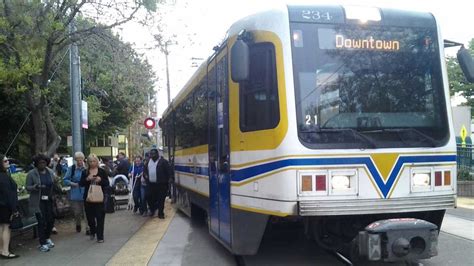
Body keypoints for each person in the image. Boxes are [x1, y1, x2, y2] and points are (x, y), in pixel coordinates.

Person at [26, 154, 56, 252]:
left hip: (49, 199)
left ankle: (47, 237)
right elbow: (27, 187)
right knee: (41, 221)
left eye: (44, 162)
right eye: (40, 163)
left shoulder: (50, 172)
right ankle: (42, 243)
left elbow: (54, 183)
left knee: (51, 219)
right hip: (38, 201)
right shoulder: (31, 174)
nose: (42, 164)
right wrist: (35, 187)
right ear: (36, 164)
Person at [80, 154, 110, 243]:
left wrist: (100, 180)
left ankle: (100, 236)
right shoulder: (85, 172)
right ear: (88, 163)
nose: (92, 163)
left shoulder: (102, 171)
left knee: (100, 217)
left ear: (97, 162)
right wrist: (87, 179)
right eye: (90, 161)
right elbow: (81, 183)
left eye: (94, 161)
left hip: (100, 197)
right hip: (88, 198)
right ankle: (93, 231)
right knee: (90, 218)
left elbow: (107, 183)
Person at [0, 155, 19, 259]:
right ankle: (5, 251)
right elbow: (9, 194)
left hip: (1, 205)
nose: (8, 162)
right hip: (6, 206)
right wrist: (14, 209)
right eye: (5, 161)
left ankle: (1, 249)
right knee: (6, 228)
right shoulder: (4, 177)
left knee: (1, 227)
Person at [143, 149, 171, 219]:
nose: (152, 155)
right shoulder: (148, 162)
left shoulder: (163, 162)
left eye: (154, 154)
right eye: (151, 154)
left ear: (157, 154)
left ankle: (160, 213)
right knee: (148, 196)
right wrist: (145, 175)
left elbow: (168, 171)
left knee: (161, 199)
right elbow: (145, 171)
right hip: (151, 184)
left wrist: (169, 179)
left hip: (161, 184)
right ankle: (153, 209)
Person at [63, 152, 87, 233]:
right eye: (78, 160)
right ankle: (78, 224)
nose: (79, 162)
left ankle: (88, 228)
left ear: (83, 159)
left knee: (86, 212)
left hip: (85, 192)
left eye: (81, 160)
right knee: (77, 212)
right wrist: (73, 184)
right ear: (75, 160)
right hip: (75, 193)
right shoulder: (72, 168)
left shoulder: (86, 168)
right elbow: (65, 180)